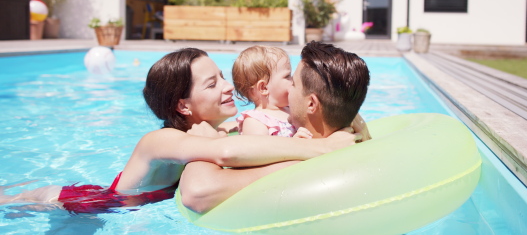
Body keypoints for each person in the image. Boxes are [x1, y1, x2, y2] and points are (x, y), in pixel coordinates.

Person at [0, 48, 358, 214]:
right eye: (211, 83)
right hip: (86, 204)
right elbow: (225, 154)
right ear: (183, 106)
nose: (227, 86)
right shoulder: (161, 141)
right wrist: (320, 151)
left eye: (221, 76)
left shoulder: (222, 127)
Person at [179, 41, 371, 213]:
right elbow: (252, 158)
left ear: (311, 104)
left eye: (293, 81)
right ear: (263, 88)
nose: (290, 87)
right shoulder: (257, 121)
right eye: (289, 78)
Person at [232, 45, 311, 138]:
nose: (293, 79)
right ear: (264, 88)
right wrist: (294, 143)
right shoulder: (255, 121)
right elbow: (260, 151)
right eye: (287, 76)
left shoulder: (291, 108)